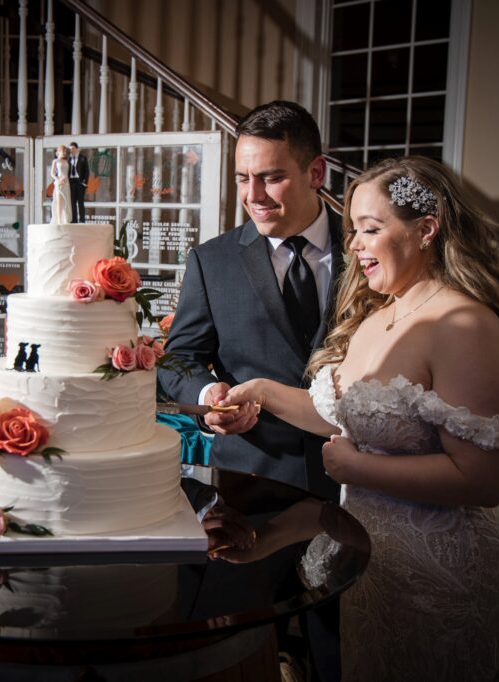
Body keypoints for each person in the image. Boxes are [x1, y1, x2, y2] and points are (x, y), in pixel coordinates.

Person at [219, 155, 499, 680]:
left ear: (426, 229)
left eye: (370, 229)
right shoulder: (377, 314)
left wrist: (355, 469)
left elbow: (482, 480)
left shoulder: (462, 323)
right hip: (371, 561)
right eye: (352, 231)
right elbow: (340, 416)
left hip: (444, 569)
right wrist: (264, 393)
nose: (355, 245)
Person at [158, 100, 344, 681]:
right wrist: (211, 395)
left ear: (316, 172)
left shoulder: (369, 254)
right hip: (247, 491)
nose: (254, 195)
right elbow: (178, 361)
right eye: (243, 177)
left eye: (272, 176)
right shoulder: (212, 260)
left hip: (356, 486)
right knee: (231, 655)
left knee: (340, 651)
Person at [68, 141, 89, 223]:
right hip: (71, 182)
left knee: (80, 202)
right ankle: (74, 219)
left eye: (73, 148)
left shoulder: (82, 158)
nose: (71, 150)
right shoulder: (69, 159)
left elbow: (87, 171)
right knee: (72, 202)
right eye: (70, 149)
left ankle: (82, 219)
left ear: (76, 149)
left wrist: (85, 183)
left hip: (79, 182)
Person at [50, 145, 72, 224]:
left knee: (66, 200)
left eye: (65, 151)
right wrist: (58, 179)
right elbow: (52, 173)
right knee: (59, 200)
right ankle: (59, 219)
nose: (64, 153)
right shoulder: (55, 161)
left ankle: (65, 218)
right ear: (58, 152)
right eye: (63, 151)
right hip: (59, 182)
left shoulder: (66, 161)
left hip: (66, 183)